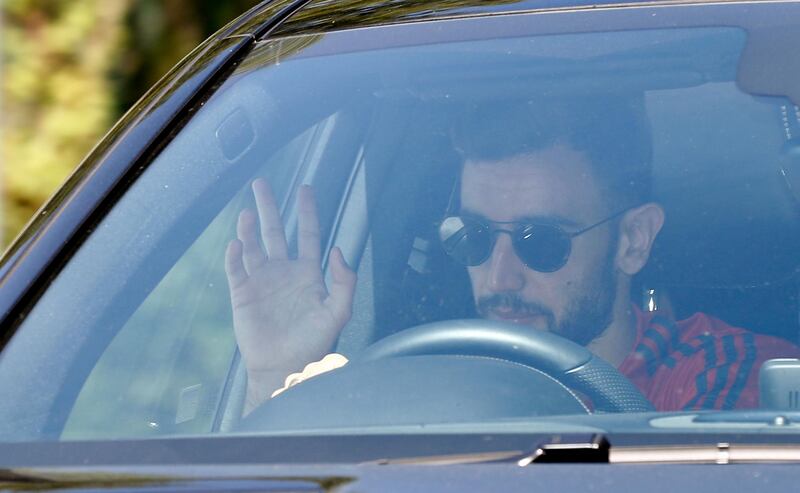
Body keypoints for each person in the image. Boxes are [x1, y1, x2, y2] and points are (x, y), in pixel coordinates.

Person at [224, 99, 800, 415]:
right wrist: (273, 376)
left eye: (540, 241)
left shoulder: (727, 382)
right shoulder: (409, 391)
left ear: (633, 241)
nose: (499, 275)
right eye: (472, 237)